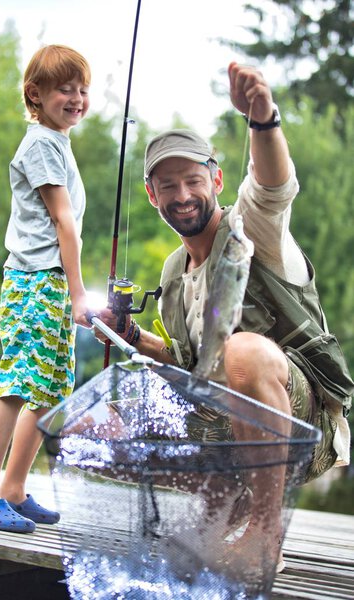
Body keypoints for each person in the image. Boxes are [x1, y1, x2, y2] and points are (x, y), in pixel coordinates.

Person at [94, 62, 353, 574]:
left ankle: (264, 529)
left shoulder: (250, 228)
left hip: (303, 425)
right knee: (116, 414)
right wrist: (134, 337)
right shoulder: (171, 272)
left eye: (193, 180)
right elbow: (196, 364)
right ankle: (222, 504)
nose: (183, 195)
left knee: (244, 350)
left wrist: (262, 119)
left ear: (215, 177)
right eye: (168, 186)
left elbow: (273, 184)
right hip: (225, 420)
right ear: (152, 196)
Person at [0, 45, 91, 533]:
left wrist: (70, 291)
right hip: (36, 283)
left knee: (51, 391)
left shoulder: (58, 143)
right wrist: (79, 294)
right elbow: (63, 222)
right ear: (36, 94)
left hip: (52, 286)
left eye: (82, 89)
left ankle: (12, 489)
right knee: (16, 384)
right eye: (65, 89)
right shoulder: (38, 145)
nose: (77, 98)